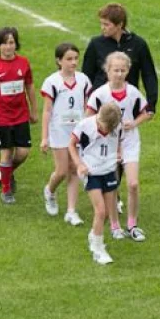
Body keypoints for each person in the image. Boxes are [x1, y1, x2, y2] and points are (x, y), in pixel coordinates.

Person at [86, 51, 151, 241]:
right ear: (107, 70)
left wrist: (134, 123)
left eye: (123, 70)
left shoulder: (132, 92)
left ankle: (132, 224)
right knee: (112, 186)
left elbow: (147, 112)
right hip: (108, 144)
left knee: (133, 183)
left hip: (129, 141)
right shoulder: (100, 94)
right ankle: (115, 226)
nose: (119, 74)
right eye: (115, 70)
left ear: (128, 71)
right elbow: (88, 117)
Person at [0, 26, 39, 204]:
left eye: (11, 42)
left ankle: (5, 173)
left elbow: (29, 86)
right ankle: (6, 189)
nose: (8, 47)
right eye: (4, 43)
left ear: (16, 44)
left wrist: (34, 110)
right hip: (2, 117)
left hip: (21, 115)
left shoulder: (23, 63)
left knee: (23, 152)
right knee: (6, 153)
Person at [40, 42, 92, 223]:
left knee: (73, 169)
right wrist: (44, 137)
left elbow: (87, 106)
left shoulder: (84, 80)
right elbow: (47, 110)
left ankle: (71, 210)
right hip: (59, 131)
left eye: (76, 58)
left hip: (76, 131)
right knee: (61, 170)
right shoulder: (52, 82)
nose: (73, 62)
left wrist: (86, 128)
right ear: (59, 61)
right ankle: (50, 190)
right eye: (69, 59)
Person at [69, 102, 123, 265]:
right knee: (100, 211)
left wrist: (119, 154)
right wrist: (79, 164)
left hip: (108, 170)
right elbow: (71, 144)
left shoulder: (117, 128)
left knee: (107, 212)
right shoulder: (85, 126)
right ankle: (98, 249)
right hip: (91, 172)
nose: (104, 130)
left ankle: (94, 234)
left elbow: (118, 141)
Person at [82, 3, 158, 113]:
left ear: (120, 25)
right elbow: (87, 76)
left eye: (107, 25)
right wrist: (87, 103)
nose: (102, 28)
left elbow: (149, 75)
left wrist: (151, 105)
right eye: (101, 24)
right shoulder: (96, 44)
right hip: (101, 105)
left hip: (129, 104)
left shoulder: (138, 44)